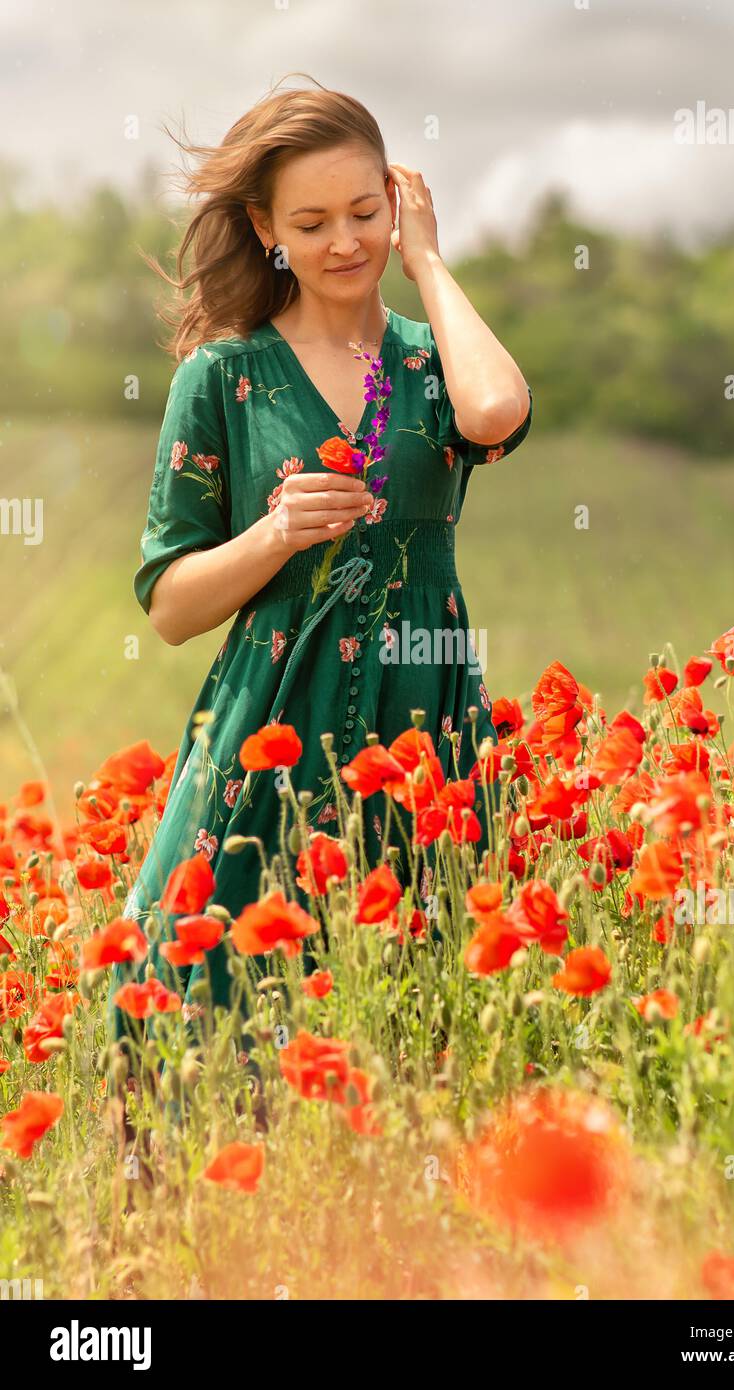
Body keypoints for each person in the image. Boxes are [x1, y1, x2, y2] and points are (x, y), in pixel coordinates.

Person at [107, 77, 533, 1055]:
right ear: (266, 230)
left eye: (364, 212)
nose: (344, 241)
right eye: (311, 220)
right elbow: (170, 606)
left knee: (415, 1022)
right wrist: (273, 535)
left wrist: (427, 264)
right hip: (270, 728)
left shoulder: (432, 365)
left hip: (422, 724)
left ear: (397, 205)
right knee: (208, 1006)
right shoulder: (223, 377)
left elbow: (495, 412)